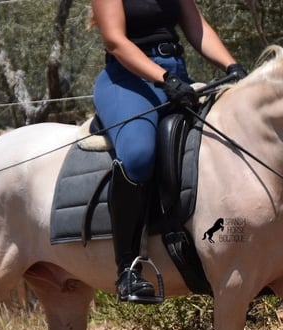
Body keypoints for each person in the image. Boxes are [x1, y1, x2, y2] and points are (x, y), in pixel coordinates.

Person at [90, 0, 246, 302]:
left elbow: (197, 27)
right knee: (138, 155)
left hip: (176, 75)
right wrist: (164, 78)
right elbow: (115, 40)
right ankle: (128, 268)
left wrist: (233, 67)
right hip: (127, 80)